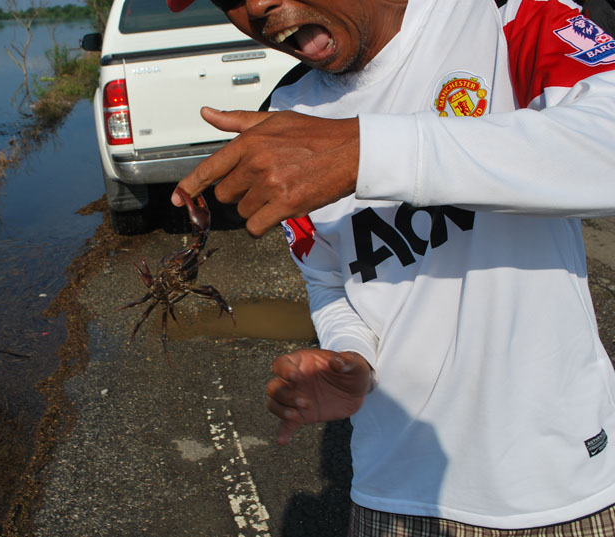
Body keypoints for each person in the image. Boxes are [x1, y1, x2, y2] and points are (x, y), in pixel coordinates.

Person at [167, 0, 615, 534]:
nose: (258, 5)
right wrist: (349, 353)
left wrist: (366, 151)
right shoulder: (285, 112)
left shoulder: (504, 19)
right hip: (391, 497)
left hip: (559, 490)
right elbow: (329, 279)